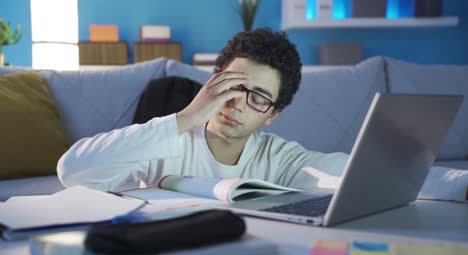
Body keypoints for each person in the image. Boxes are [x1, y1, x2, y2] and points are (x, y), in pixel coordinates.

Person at [58, 28, 348, 192]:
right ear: (213, 81)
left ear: (272, 114)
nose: (236, 103)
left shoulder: (280, 158)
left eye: (258, 99)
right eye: (232, 85)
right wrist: (187, 117)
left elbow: (346, 173)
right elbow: (72, 171)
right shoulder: (163, 140)